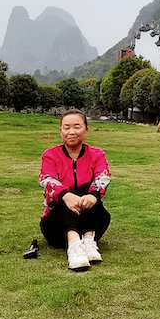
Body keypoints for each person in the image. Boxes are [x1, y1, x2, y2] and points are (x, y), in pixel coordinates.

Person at [38, 109, 111, 271]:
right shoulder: (50, 155)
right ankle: (74, 245)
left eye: (77, 127)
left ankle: (88, 240)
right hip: (56, 228)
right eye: (66, 127)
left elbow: (103, 177)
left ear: (86, 130)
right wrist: (65, 194)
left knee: (86, 190)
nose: (71, 132)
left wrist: (94, 195)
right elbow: (46, 179)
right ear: (61, 131)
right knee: (68, 194)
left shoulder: (97, 154)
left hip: (93, 220)